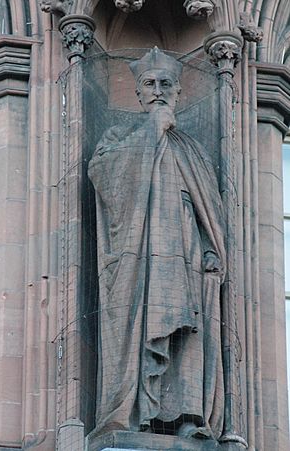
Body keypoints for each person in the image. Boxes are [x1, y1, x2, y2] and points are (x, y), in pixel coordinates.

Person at [88, 47, 226, 441]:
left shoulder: (192, 150)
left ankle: (187, 418)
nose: (159, 90)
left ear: (180, 92)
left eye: (167, 84)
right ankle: (140, 415)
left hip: (188, 251)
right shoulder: (119, 136)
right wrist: (152, 130)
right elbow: (103, 175)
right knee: (148, 325)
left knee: (189, 332)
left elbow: (207, 206)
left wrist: (211, 248)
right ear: (138, 93)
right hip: (143, 253)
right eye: (150, 84)